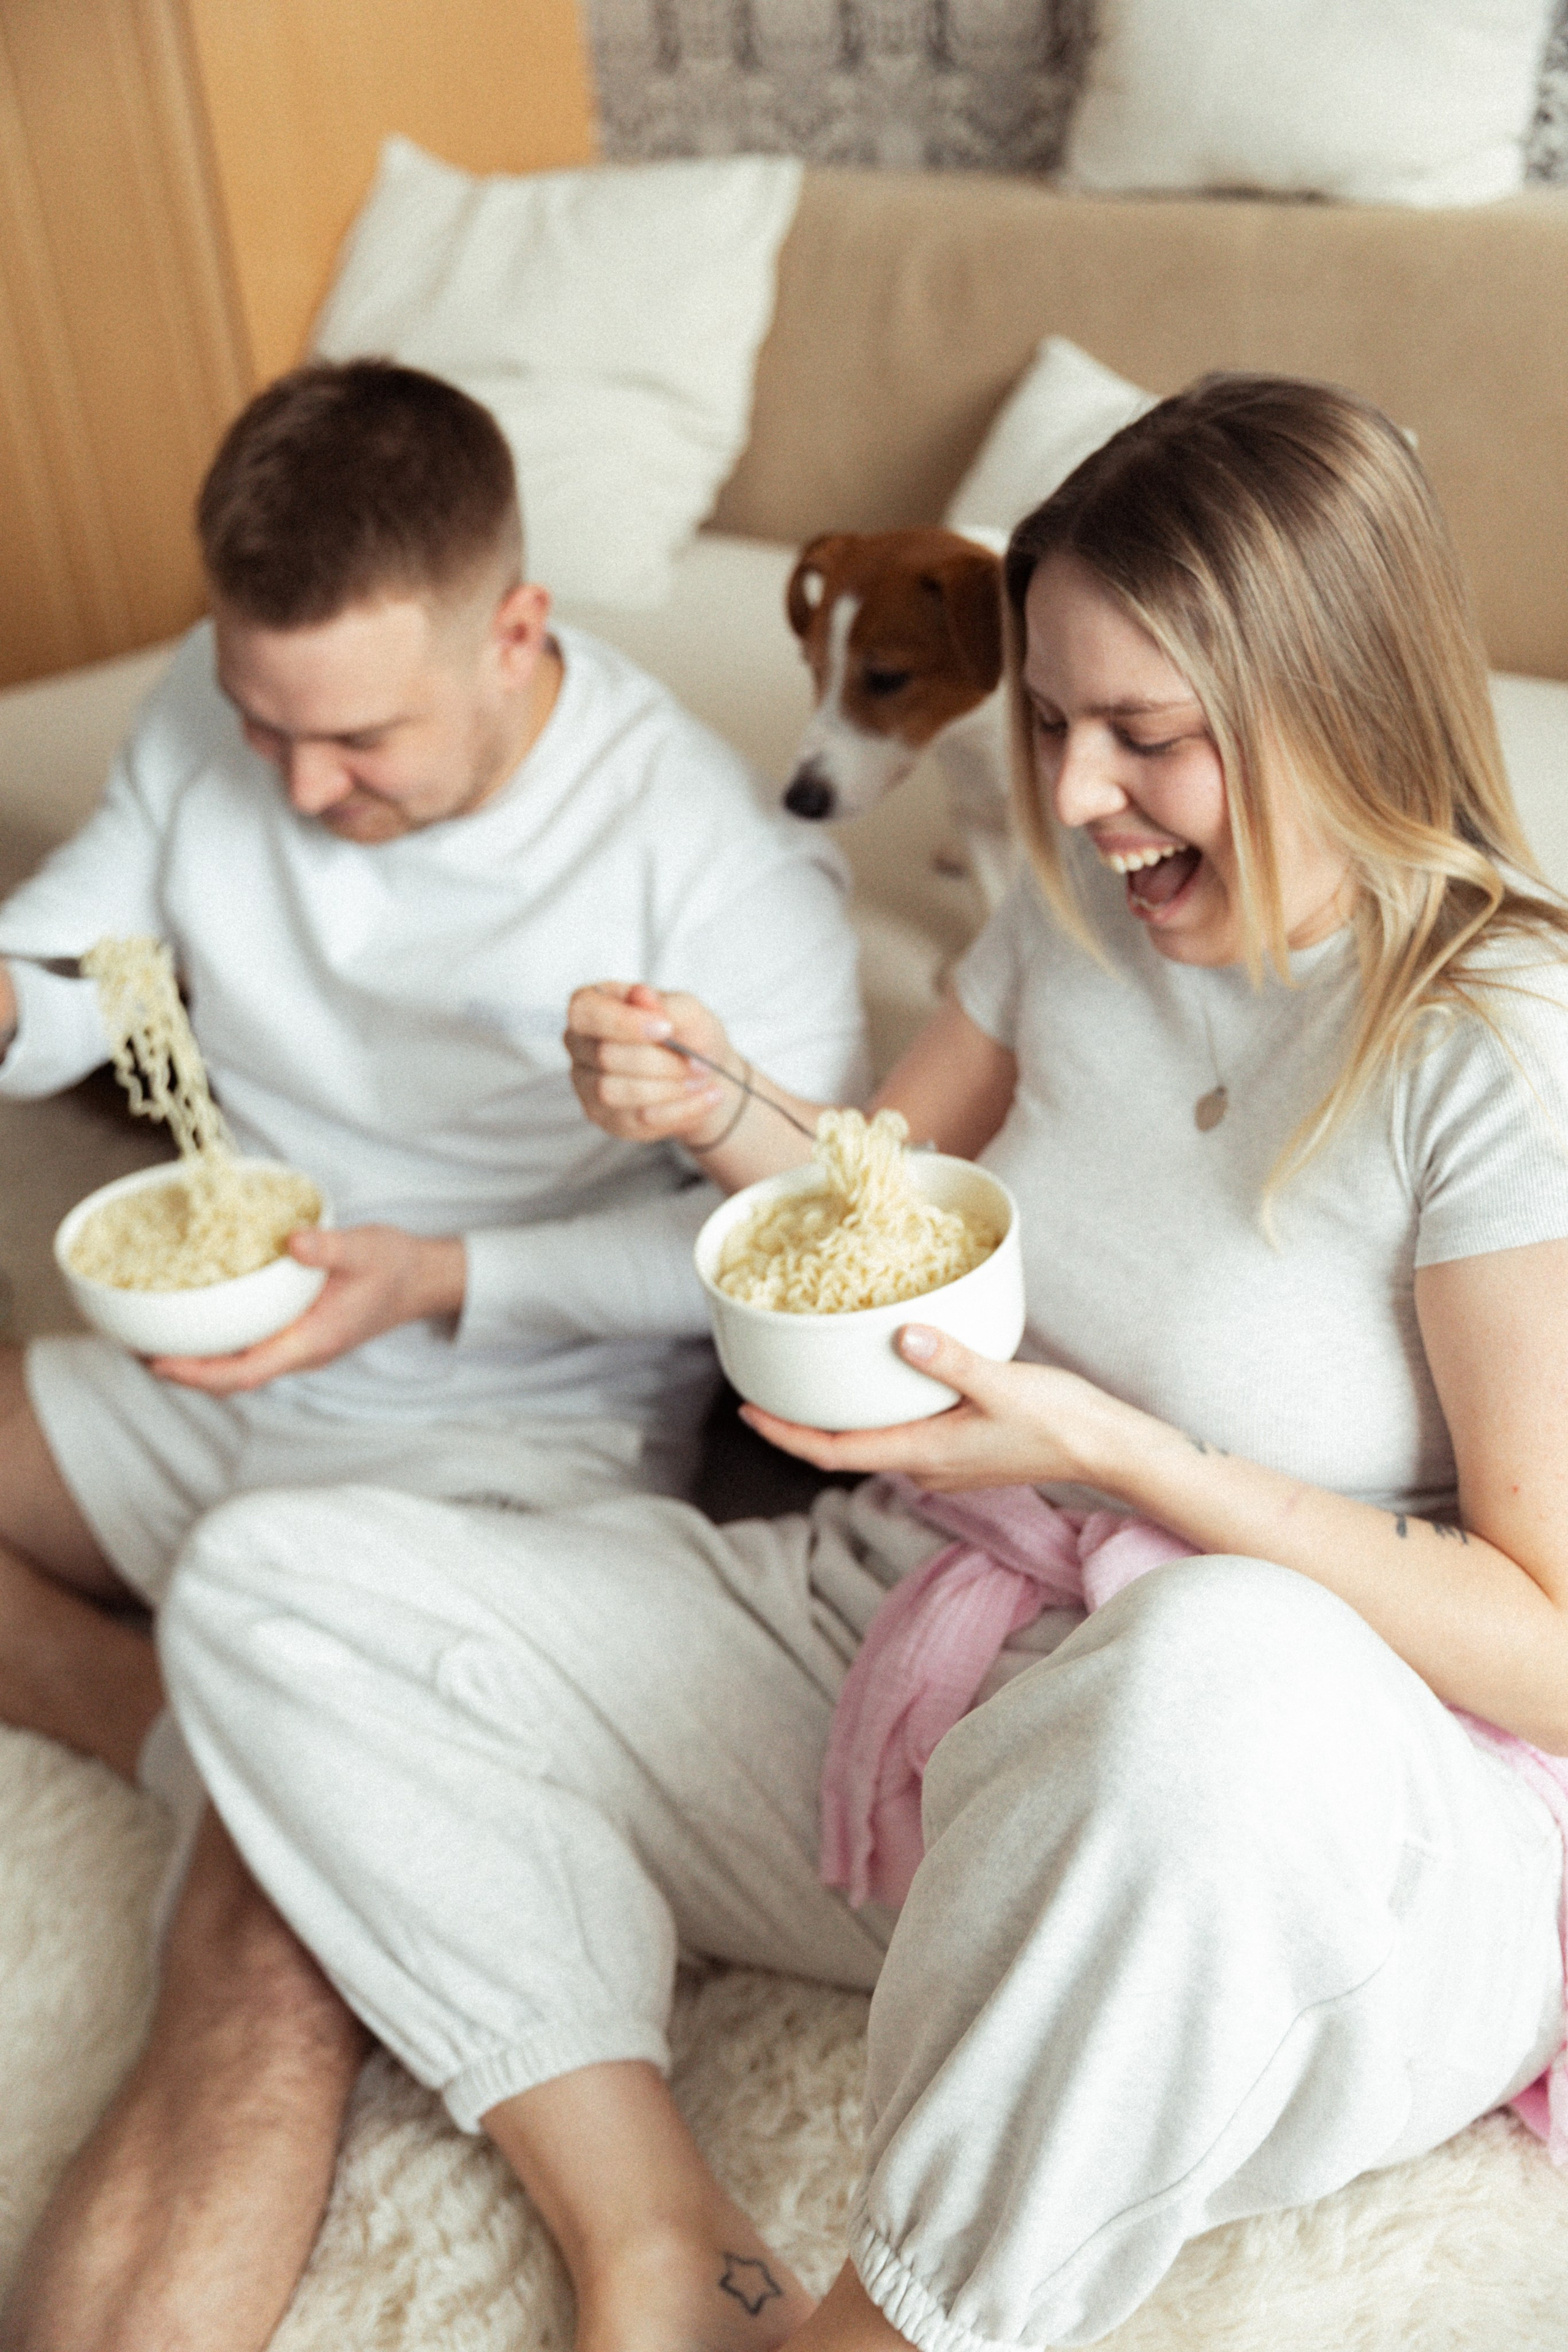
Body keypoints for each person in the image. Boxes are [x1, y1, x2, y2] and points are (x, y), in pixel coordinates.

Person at [67, 374, 1568, 2352]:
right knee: (288, 1581)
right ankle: (654, 2233)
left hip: (1286, 1832)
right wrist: (714, 1109)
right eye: (1047, 717)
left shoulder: (1492, 1048)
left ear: (1332, 696)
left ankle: (893, 2322)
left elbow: (1543, 1635)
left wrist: (1114, 1453)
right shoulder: (1066, 917)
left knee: (1222, 1668)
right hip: (944, 1679)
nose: (1081, 790)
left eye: (1149, 737)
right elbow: (868, 1199)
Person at [0, 359, 866, 2348]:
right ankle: (179, 1717)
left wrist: (439, 1280)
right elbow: (82, 963)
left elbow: (782, 1253)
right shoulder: (226, 724)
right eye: (260, 725)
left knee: (250, 1970)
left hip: (504, 1441)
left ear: (518, 631)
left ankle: (255, 1786)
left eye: (361, 738)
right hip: (227, 1363)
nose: (301, 790)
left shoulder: (707, 868)